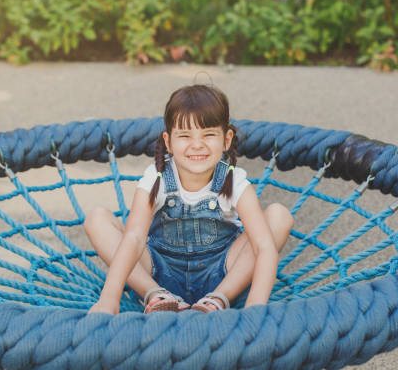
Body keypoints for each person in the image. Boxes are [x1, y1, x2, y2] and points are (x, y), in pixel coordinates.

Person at [85, 84, 294, 314]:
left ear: (226, 139)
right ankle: (154, 294)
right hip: (159, 272)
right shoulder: (157, 178)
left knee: (278, 216)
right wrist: (109, 299)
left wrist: (256, 307)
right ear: (168, 142)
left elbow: (263, 246)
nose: (197, 145)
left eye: (209, 134)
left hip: (222, 274)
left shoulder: (235, 182)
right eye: (185, 136)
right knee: (97, 219)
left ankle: (219, 299)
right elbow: (134, 238)